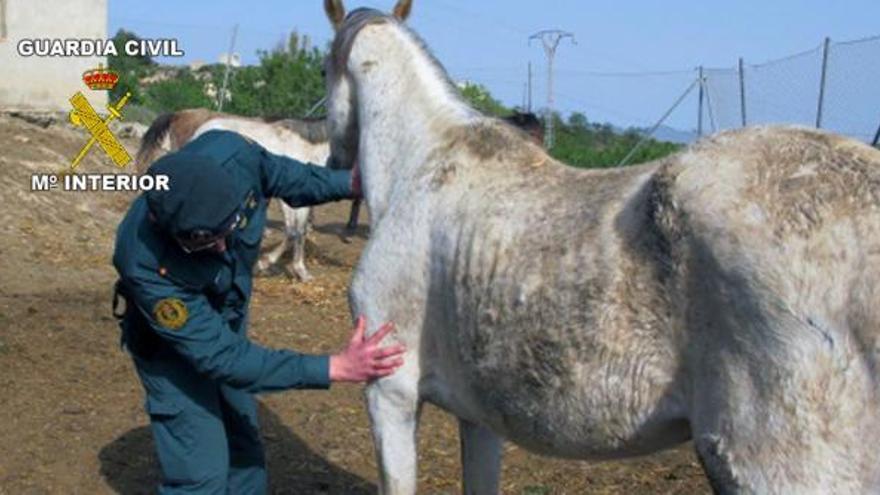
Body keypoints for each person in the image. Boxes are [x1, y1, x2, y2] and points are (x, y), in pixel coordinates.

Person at [112, 130, 405, 494]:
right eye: (201, 241)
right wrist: (334, 367)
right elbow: (224, 359)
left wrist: (349, 182)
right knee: (202, 477)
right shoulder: (142, 260)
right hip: (173, 352)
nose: (221, 248)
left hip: (227, 323)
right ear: (163, 227)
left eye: (228, 228)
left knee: (244, 448)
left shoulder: (234, 156)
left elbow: (287, 176)